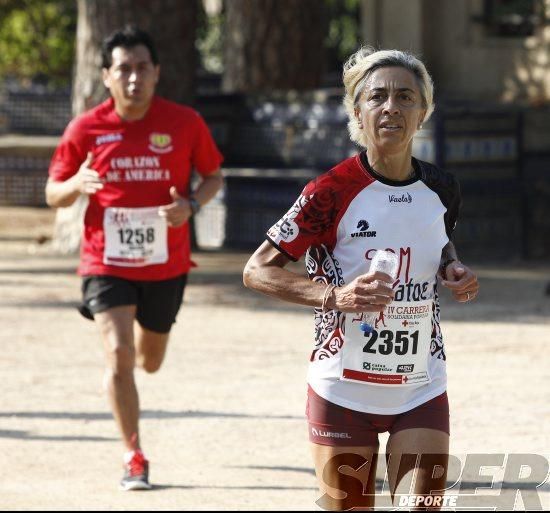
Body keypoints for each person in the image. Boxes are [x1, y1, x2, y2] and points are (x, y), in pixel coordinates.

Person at [243, 47, 479, 510]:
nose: (391, 106)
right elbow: (257, 271)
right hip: (343, 389)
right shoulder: (328, 193)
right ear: (358, 111)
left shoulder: (442, 188)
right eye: (378, 97)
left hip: (420, 384)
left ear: (423, 111)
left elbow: (437, 240)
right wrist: (336, 296)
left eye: (405, 97)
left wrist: (455, 269)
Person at [45, 26, 223, 491]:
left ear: (156, 73)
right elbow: (53, 193)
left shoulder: (184, 122)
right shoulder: (86, 128)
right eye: (123, 69)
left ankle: (144, 350)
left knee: (150, 360)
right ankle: (133, 454)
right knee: (120, 356)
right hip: (106, 262)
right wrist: (76, 186)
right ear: (106, 76)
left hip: (168, 265)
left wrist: (192, 206)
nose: (133, 78)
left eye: (142, 68)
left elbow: (212, 176)